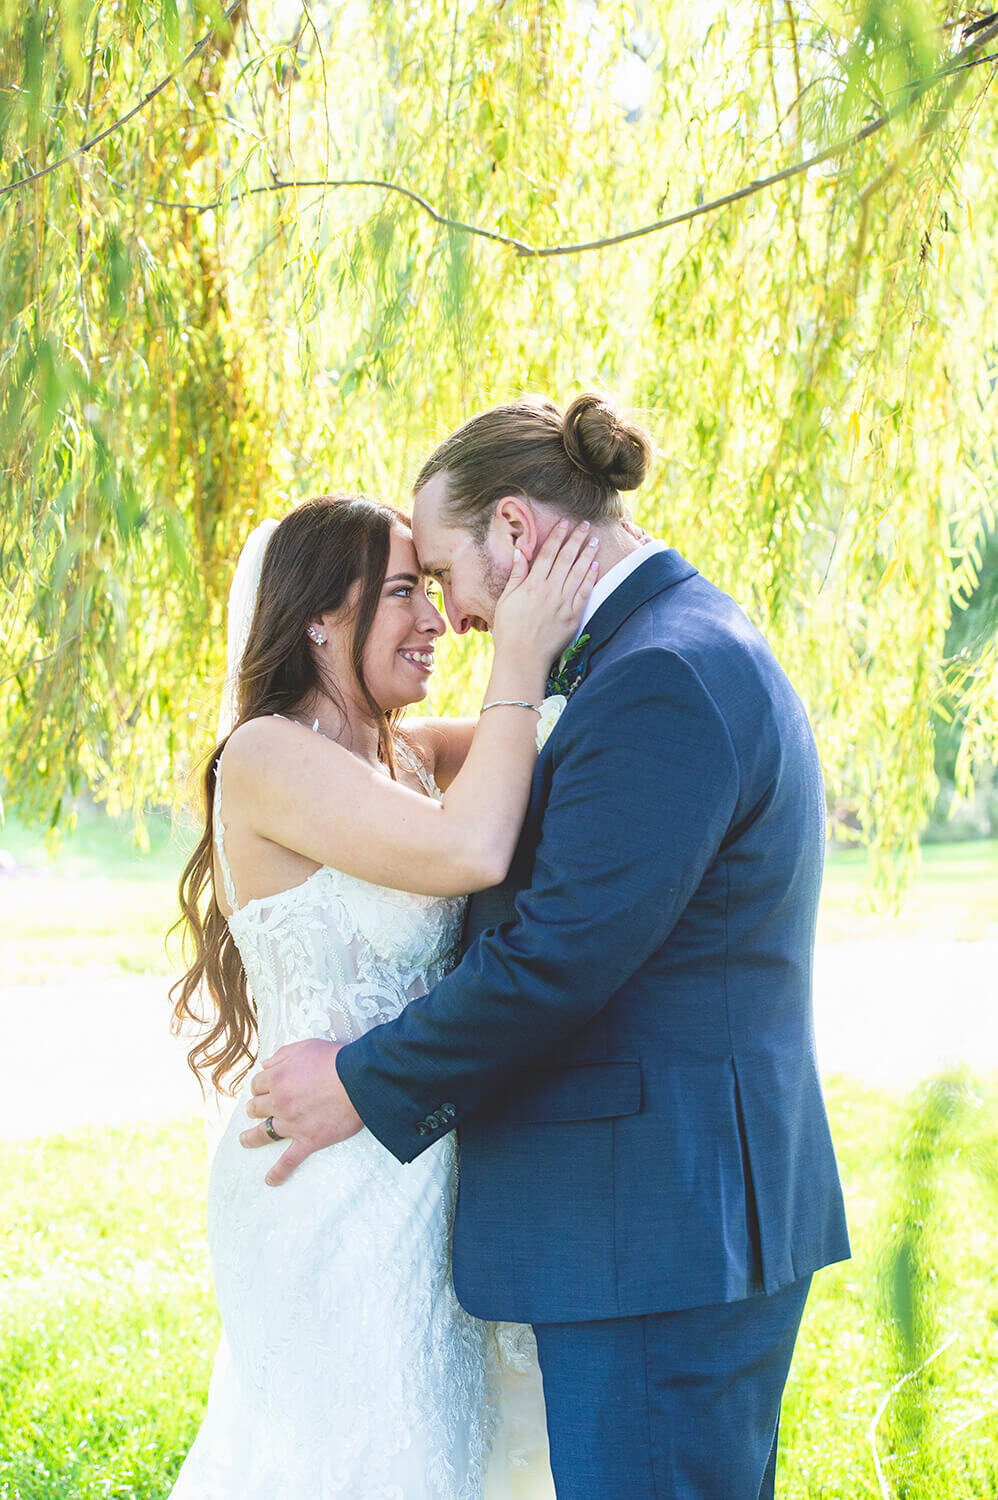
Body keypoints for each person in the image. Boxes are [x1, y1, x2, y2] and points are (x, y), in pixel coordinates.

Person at [244, 392, 852, 1499]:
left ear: (515, 532)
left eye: (445, 576)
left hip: (658, 1237)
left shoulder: (656, 675)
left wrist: (360, 1081)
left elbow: (557, 957)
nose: (452, 618)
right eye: (409, 589)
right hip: (655, 1226)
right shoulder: (653, 653)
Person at [169, 492, 597, 1497]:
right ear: (319, 614)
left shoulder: (401, 753)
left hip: (423, 1175)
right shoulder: (267, 754)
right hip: (322, 1186)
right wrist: (518, 656)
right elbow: (472, 844)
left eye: (428, 590)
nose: (437, 620)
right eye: (405, 592)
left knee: (446, 1455)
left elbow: (548, 737)